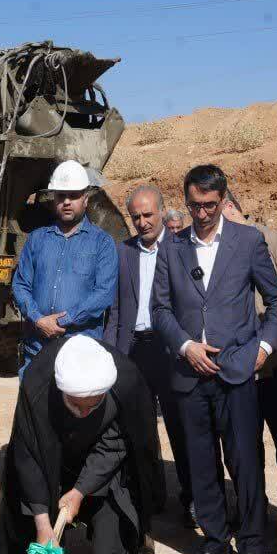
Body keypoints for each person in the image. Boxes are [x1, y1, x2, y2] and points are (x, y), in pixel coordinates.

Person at [151, 164, 277, 554]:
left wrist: (262, 349)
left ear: (224, 200)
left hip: (237, 373)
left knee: (245, 461)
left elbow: (276, 301)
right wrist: (186, 346)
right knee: (200, 461)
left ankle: (250, 545)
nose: (202, 213)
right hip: (189, 374)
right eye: (195, 205)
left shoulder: (248, 241)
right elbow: (160, 309)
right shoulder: (171, 247)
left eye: (210, 205)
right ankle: (213, 541)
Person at [0, 335, 165, 554]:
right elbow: (30, 460)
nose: (84, 413)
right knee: (38, 517)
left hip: (99, 453)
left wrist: (79, 491)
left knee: (112, 493)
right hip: (51, 455)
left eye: (93, 406)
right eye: (76, 405)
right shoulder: (37, 385)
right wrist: (42, 522)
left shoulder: (126, 383)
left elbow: (114, 446)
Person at [104, 185, 194, 526]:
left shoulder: (182, 247)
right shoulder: (123, 251)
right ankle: (148, 498)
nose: (142, 222)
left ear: (162, 211)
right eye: (135, 217)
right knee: (138, 429)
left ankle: (193, 499)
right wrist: (113, 355)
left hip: (171, 350)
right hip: (134, 351)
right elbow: (115, 309)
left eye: (148, 215)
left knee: (181, 427)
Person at [222, 191, 277, 499]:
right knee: (243, 453)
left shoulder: (274, 242)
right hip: (239, 371)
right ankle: (253, 518)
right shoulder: (214, 250)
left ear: (228, 206)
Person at [11, 160, 118, 376]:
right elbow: (20, 285)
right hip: (37, 350)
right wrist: (38, 319)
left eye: (74, 195)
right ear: (54, 199)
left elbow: (103, 294)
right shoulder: (36, 239)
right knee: (34, 399)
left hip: (80, 352)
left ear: (85, 199)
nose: (67, 202)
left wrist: (61, 321)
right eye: (61, 196)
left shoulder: (102, 243)